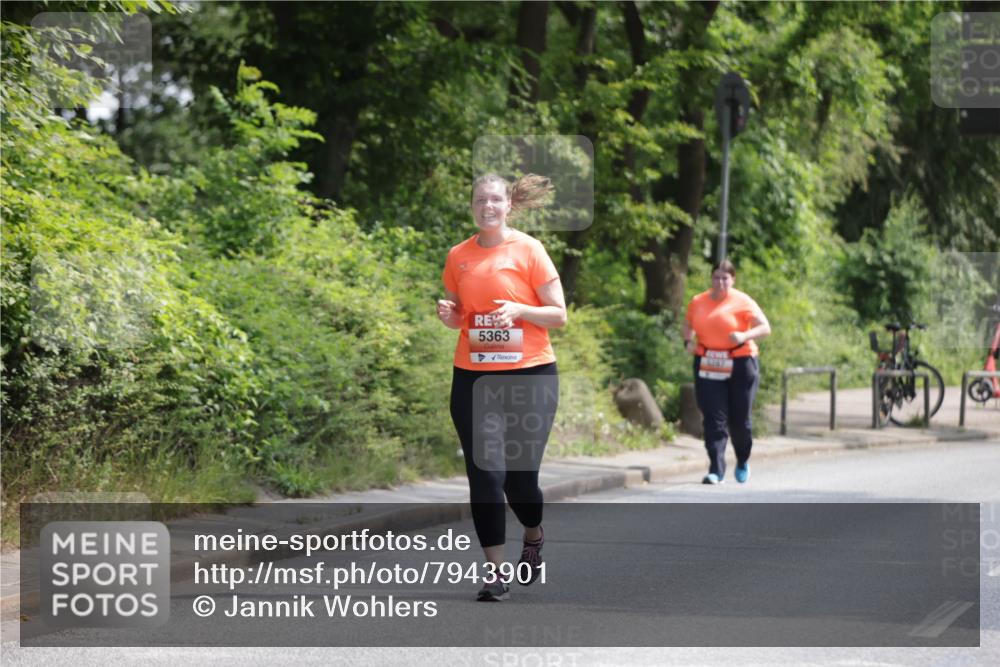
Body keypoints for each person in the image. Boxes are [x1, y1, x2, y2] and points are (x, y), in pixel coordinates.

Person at [437, 173, 567, 601]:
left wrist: (520, 310)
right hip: (474, 377)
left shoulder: (530, 249)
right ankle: (495, 574)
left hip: (530, 375)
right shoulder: (458, 255)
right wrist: (451, 317)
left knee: (520, 483)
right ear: (472, 206)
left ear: (509, 205)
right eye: (480, 200)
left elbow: (559, 314)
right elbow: (463, 313)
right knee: (486, 476)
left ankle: (533, 534)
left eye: (495, 199)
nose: (487, 206)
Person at [682, 260, 771, 485]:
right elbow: (687, 325)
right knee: (713, 417)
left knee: (740, 420)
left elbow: (765, 327)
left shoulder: (743, 301)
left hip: (741, 361)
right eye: (716, 277)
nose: (720, 282)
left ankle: (742, 459)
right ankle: (716, 469)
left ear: (733, 280)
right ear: (711, 278)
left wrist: (744, 336)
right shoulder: (698, 301)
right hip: (708, 361)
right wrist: (688, 342)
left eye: (725, 278)